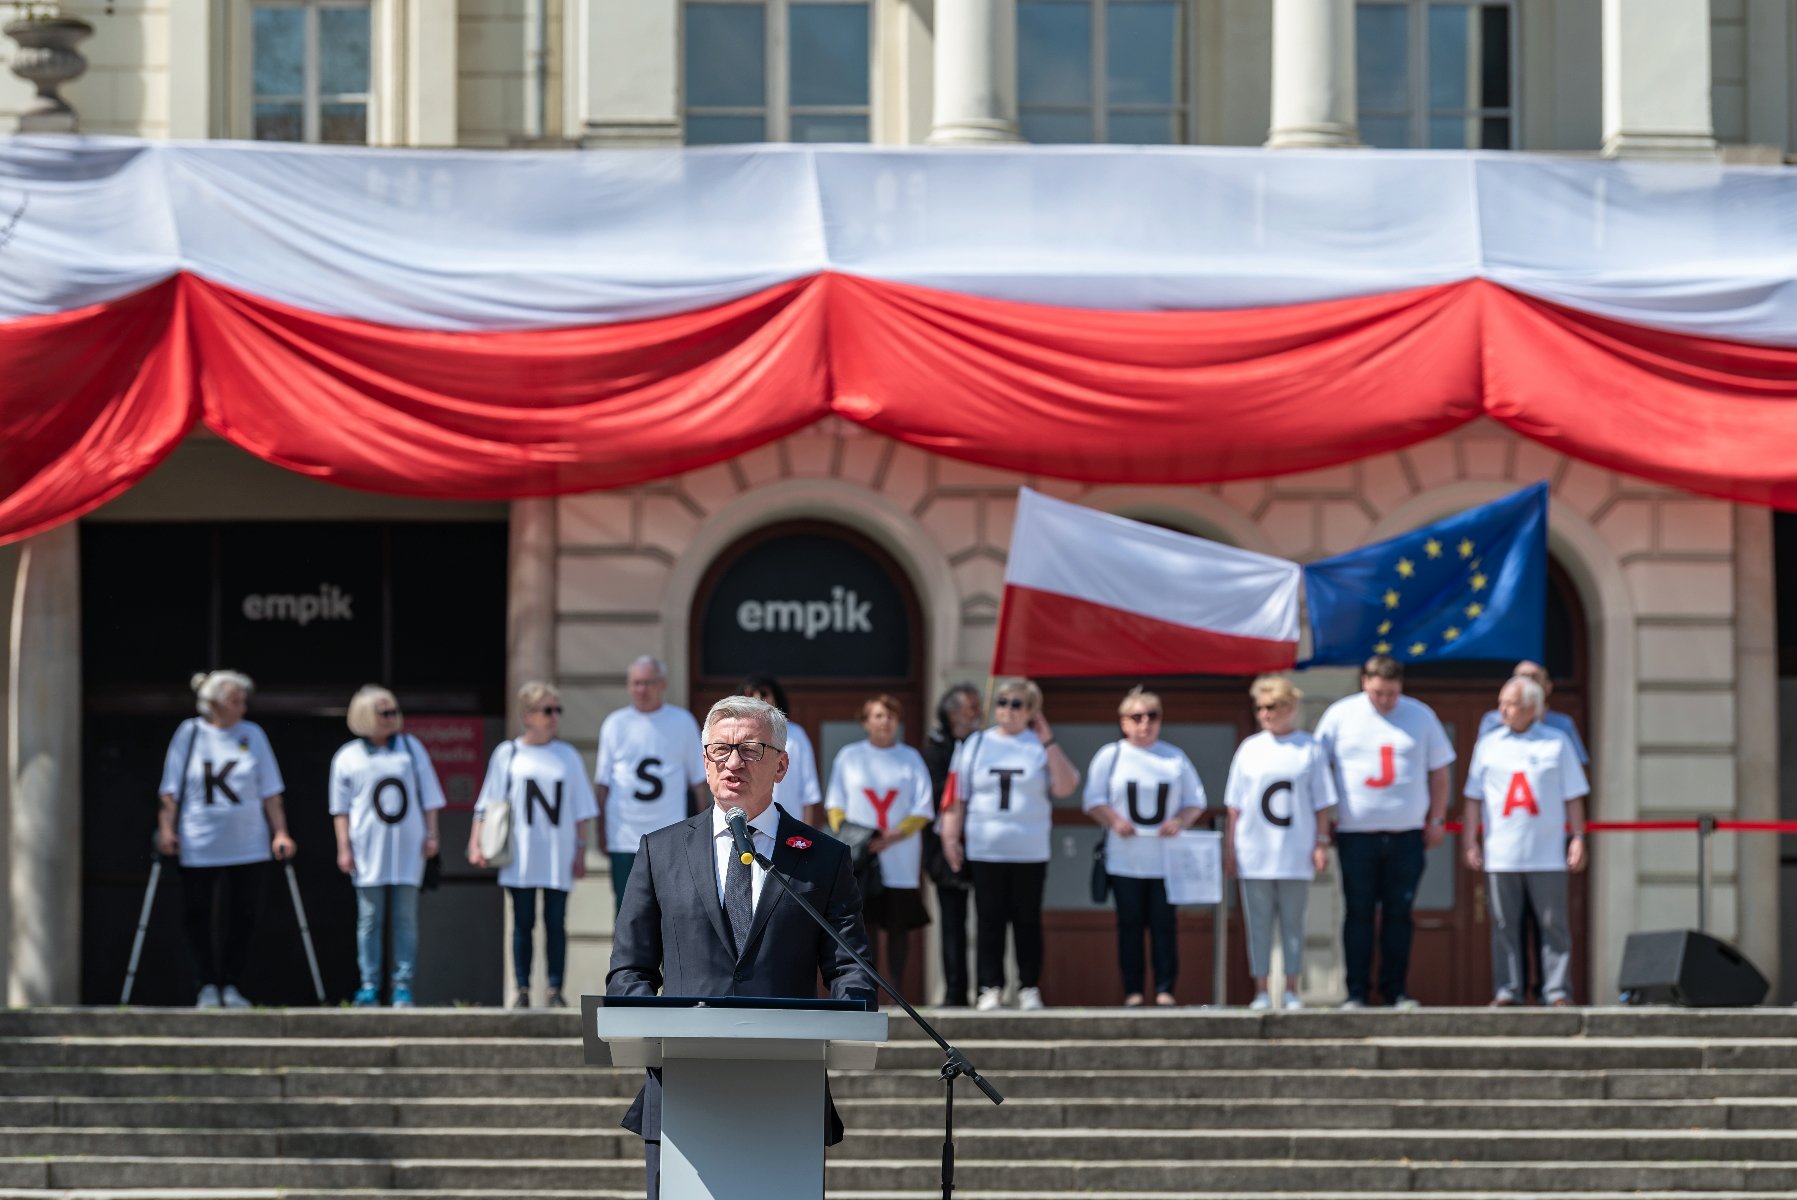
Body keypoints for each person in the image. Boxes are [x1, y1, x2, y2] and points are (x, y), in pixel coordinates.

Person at [608, 694, 874, 1200]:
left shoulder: (822, 858)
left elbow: (850, 967)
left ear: (782, 765)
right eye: (720, 751)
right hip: (683, 1089)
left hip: (786, 1096)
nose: (733, 763)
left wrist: (848, 1014)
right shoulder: (659, 851)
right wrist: (655, 1024)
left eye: (751, 750)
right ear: (704, 762)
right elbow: (629, 971)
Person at [1313, 654, 1454, 1009]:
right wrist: (1323, 821)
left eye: (1391, 693)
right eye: (1378, 693)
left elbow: (1440, 772)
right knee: (1358, 912)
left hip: (1406, 835)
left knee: (1399, 912)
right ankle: (1356, 990)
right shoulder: (1341, 715)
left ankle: (1395, 990)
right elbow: (1317, 770)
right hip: (1355, 834)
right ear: (1364, 683)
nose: (1385, 701)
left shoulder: (1421, 716)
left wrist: (1436, 819)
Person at [156, 670, 295, 1008]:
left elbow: (271, 791)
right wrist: (167, 829)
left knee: (244, 914)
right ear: (214, 703)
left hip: (247, 843)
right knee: (197, 914)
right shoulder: (189, 733)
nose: (243, 708)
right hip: (199, 842)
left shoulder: (253, 734)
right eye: (236, 701)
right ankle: (205, 984)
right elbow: (170, 790)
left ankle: (232, 983)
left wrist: (280, 831)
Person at [939, 677, 1079, 1011]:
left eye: (1017, 704)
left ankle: (1029, 986)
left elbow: (1066, 786)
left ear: (1032, 711)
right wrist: (949, 836)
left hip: (1029, 850)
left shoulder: (1038, 745)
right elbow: (957, 796)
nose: (1008, 710)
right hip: (986, 847)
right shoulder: (976, 744)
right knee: (989, 920)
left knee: (1027, 919)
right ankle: (991, 986)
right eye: (1003, 702)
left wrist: (1049, 741)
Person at [469, 680, 599, 1008]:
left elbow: (581, 809)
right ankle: (523, 989)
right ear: (528, 715)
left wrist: (581, 849)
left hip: (558, 852)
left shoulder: (567, 755)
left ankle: (555, 989)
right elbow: (488, 803)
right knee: (522, 922)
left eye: (557, 710)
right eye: (547, 710)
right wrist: (476, 842)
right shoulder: (508, 753)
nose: (554, 716)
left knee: (556, 923)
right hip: (520, 854)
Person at [1464, 675, 1589, 1007]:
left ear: (1532, 708)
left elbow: (1573, 796)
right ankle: (1508, 990)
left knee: (1553, 924)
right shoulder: (1488, 744)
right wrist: (1470, 841)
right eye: (1501, 702)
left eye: (1511, 703)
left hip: (1546, 852)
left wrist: (1577, 838)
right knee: (1504, 925)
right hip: (1502, 853)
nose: (1502, 709)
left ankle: (1557, 990)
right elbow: (1473, 798)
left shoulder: (1557, 742)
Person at [1083, 687, 1206, 1007]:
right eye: (1136, 716)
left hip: (1165, 861)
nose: (1145, 723)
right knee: (1130, 926)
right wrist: (1113, 819)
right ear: (1123, 722)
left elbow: (1196, 802)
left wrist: (1178, 821)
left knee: (1165, 926)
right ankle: (1133, 991)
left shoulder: (1174, 757)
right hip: (1126, 860)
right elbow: (1093, 800)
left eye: (1152, 716)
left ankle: (1166, 989)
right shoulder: (1112, 755)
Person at [1223, 675, 1338, 1011]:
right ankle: (1261, 988)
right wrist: (1230, 850)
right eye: (1260, 708)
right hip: (1254, 851)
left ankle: (1291, 988)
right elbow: (1235, 806)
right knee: (1257, 923)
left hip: (1294, 850)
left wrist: (1320, 843)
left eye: (1271, 707)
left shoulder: (1309, 747)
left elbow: (1321, 803)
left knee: (1292, 922)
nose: (1265, 714)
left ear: (1289, 707)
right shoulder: (1250, 748)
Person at [329, 685, 446, 1007]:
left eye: (394, 711)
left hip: (407, 847)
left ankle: (402, 984)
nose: (392, 717)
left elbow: (430, 797)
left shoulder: (411, 748)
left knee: (405, 918)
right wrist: (343, 847)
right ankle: (369, 983)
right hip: (367, 847)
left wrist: (432, 834)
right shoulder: (348, 756)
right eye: (384, 712)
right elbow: (340, 808)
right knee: (369, 918)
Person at [825, 694, 934, 1000]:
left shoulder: (910, 757)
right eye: (877, 716)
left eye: (890, 716)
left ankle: (898, 990)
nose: (884, 722)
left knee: (898, 925)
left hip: (899, 854)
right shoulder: (849, 757)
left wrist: (894, 835)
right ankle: (867, 989)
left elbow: (924, 808)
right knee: (865, 925)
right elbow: (835, 807)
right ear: (865, 722)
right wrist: (859, 839)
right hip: (862, 858)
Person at [594, 656, 708, 912]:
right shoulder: (615, 723)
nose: (641, 689)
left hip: (670, 833)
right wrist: (600, 828)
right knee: (625, 908)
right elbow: (603, 783)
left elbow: (699, 781)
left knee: (669, 906)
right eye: (636, 683)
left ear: (662, 684)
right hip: (623, 835)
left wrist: (703, 827)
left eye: (648, 682)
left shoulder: (682, 721)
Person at [922, 683, 981, 1006]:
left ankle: (988, 988)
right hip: (943, 844)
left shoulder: (983, 744)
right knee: (953, 921)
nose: (977, 715)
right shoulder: (935, 748)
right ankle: (956, 992)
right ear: (952, 713)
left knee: (988, 918)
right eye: (971, 708)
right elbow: (933, 792)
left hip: (983, 842)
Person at [741, 675, 823, 826]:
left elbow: (809, 792)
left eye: (764, 694)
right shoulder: (737, 737)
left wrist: (806, 837)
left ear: (776, 698)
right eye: (751, 695)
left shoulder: (795, 736)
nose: (758, 699)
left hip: (789, 826)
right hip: (746, 825)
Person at [1477, 660, 1589, 764]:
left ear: (1548, 687)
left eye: (1534, 678)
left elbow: (1578, 767)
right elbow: (1481, 762)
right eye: (1522, 677)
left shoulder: (1563, 724)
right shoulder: (1493, 720)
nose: (1528, 682)